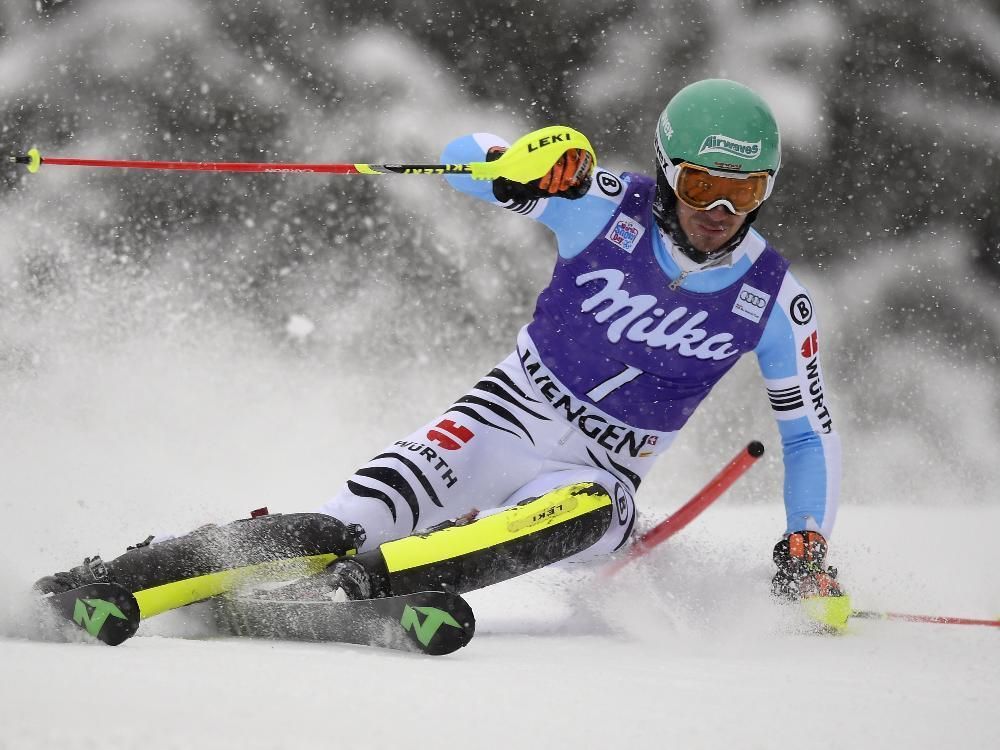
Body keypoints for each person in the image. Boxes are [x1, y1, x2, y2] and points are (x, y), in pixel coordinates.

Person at [35, 79, 846, 626]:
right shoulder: (601, 206)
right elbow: (464, 156)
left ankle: (375, 591)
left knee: (588, 513)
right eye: (704, 184)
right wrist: (514, 167)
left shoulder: (773, 298)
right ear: (670, 172)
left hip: (603, 470)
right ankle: (116, 580)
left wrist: (807, 541)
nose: (721, 210)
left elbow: (808, 433)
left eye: (746, 192)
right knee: (348, 522)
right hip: (508, 411)